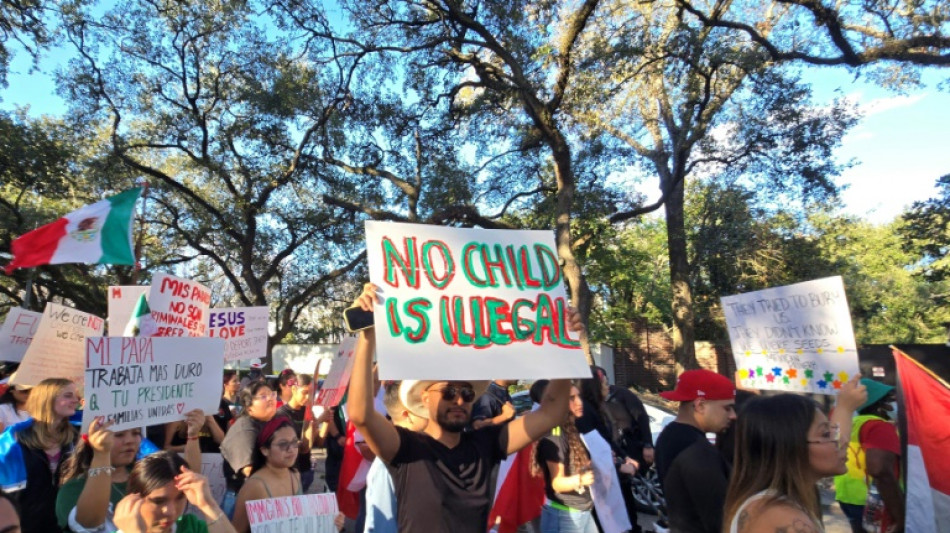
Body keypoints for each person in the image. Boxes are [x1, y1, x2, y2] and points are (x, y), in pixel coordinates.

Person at [347, 283, 577, 533]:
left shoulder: (486, 444)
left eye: (467, 393)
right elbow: (360, 414)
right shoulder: (406, 447)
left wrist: (564, 346)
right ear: (424, 398)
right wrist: (368, 336)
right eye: (448, 392)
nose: (459, 401)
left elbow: (551, 413)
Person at [722, 380, 867, 532]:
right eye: (825, 434)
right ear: (791, 446)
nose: (842, 441)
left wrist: (845, 408)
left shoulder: (777, 503)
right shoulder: (780, 516)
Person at [56, 411, 205, 532]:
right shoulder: (74, 489)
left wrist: (192, 435)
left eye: (135, 433)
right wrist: (102, 454)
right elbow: (90, 523)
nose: (130, 440)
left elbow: (188, 479)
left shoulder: (144, 475)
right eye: (119, 434)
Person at [653, 369, 736, 533]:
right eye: (727, 408)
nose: (733, 415)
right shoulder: (696, 450)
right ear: (700, 405)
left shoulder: (670, 434)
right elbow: (719, 518)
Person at [0, 377, 80, 533]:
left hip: (67, 527)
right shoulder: (13, 440)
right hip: (26, 525)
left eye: (76, 395)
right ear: (47, 399)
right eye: (68, 395)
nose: (76, 400)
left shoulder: (78, 437)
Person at [834, 378, 904, 533]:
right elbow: (880, 471)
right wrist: (900, 515)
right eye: (891, 399)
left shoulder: (852, 423)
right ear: (879, 405)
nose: (896, 404)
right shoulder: (880, 427)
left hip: (847, 497)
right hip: (875, 501)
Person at [111, 450, 236, 533]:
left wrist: (208, 505)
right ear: (132, 498)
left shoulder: (191, 527)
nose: (170, 511)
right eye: (158, 501)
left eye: (180, 498)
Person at [364, 380, 429, 533]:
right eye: (423, 407)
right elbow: (383, 526)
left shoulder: (422, 450)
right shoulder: (388, 463)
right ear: (407, 414)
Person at [532, 383, 596, 533]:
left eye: (579, 396)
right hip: (565, 514)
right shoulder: (556, 436)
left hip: (581, 510)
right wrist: (581, 480)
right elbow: (557, 483)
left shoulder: (572, 428)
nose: (579, 402)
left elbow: (573, 466)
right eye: (571, 398)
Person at [231, 417, 302, 533]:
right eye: (283, 444)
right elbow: (236, 530)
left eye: (294, 442)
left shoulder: (295, 475)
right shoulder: (255, 486)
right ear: (264, 450)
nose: (291, 449)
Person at [219, 381, 278, 518]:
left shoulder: (274, 424)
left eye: (272, 395)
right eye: (263, 396)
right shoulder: (245, 428)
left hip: (264, 497)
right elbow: (250, 471)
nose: (270, 399)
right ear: (249, 406)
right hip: (241, 500)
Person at [275, 374, 316, 492]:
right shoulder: (281, 414)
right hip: (290, 471)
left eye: (311, 393)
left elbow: (319, 441)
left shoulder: (308, 411)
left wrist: (323, 422)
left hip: (306, 468)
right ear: (294, 389)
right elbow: (301, 447)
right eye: (305, 392)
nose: (308, 397)